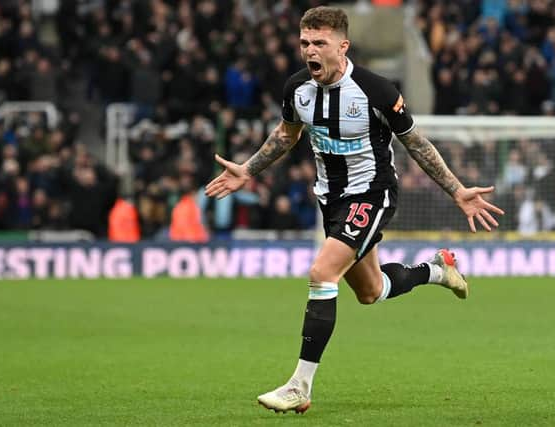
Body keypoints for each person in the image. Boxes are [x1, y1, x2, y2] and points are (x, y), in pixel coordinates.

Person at [205, 6, 504, 414]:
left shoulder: (376, 90)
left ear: (342, 46)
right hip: (330, 199)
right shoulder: (298, 89)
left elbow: (416, 144)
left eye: (319, 43)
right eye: (304, 43)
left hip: (372, 194)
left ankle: (300, 386)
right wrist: (248, 169)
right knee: (372, 291)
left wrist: (456, 190)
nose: (310, 50)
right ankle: (438, 269)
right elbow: (285, 135)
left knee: (321, 273)